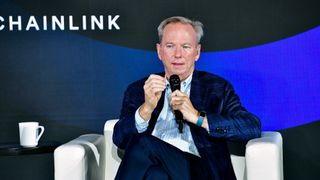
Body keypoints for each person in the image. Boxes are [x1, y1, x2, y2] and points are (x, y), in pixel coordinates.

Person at [113, 16, 261, 180]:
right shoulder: (139, 90)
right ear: (159, 51)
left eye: (186, 47)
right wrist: (146, 109)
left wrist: (198, 117)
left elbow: (251, 127)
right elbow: (120, 139)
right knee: (156, 175)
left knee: (143, 143)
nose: (178, 54)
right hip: (158, 168)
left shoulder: (216, 88)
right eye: (170, 46)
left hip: (201, 172)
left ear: (197, 52)